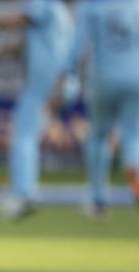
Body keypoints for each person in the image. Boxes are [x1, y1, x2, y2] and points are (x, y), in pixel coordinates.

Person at [0, 0, 74, 220]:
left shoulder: (44, 5)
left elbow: (13, 21)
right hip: (61, 84)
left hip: (45, 84)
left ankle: (24, 194)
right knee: (28, 136)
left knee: (23, 136)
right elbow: (15, 49)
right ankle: (24, 190)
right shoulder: (62, 14)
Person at [65, 0, 139, 218]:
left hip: (104, 76)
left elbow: (76, 45)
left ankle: (98, 200)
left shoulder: (91, 5)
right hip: (136, 75)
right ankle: (135, 173)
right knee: (133, 134)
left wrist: (67, 73)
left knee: (99, 136)